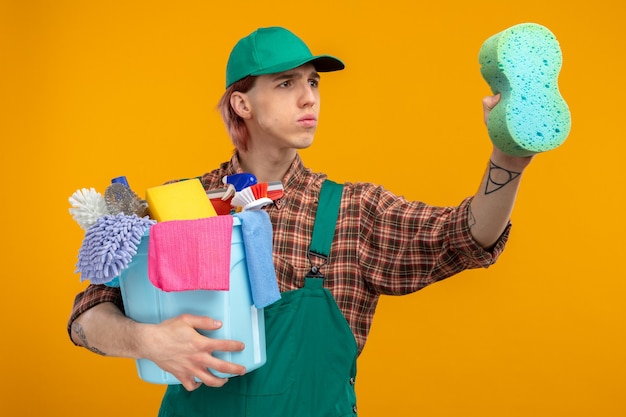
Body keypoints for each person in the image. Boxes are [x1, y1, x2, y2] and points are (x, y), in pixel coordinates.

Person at [68, 26, 533, 416]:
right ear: (241, 104)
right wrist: (149, 341)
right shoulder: (178, 206)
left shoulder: (354, 212)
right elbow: (88, 317)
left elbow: (466, 235)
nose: (309, 97)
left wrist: (507, 160)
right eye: (286, 83)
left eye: (313, 83)